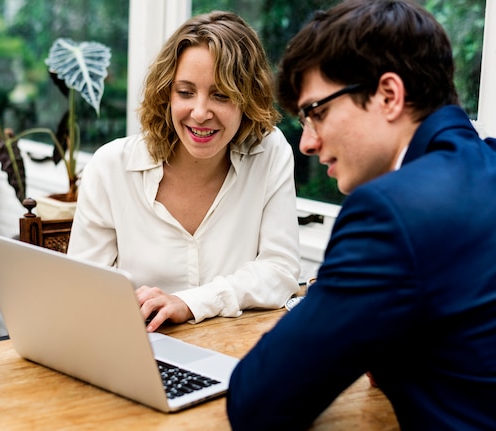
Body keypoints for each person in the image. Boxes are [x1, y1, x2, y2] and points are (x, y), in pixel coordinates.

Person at [227, 0, 496, 429]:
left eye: (317, 112)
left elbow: (259, 403)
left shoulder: (389, 213)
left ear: (388, 95)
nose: (307, 144)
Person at [67, 11, 301, 333]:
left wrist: (190, 302)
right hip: (141, 350)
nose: (200, 112)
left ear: (247, 99)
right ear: (167, 94)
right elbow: (83, 292)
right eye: (185, 92)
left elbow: (280, 270)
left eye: (221, 95)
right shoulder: (111, 167)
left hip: (235, 353)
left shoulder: (270, 152)